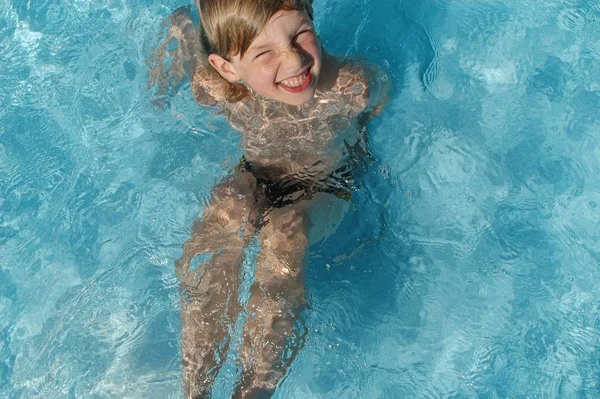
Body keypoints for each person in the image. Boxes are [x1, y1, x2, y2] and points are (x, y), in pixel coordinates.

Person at [149, 1, 389, 397]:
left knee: (285, 230)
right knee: (228, 204)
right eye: (264, 53)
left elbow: (381, 97)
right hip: (257, 174)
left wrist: (362, 139)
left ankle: (253, 391)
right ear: (228, 68)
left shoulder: (351, 86)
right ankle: (195, 388)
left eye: (299, 34)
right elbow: (190, 45)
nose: (293, 60)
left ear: (311, 14)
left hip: (328, 187)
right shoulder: (221, 89)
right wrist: (180, 31)